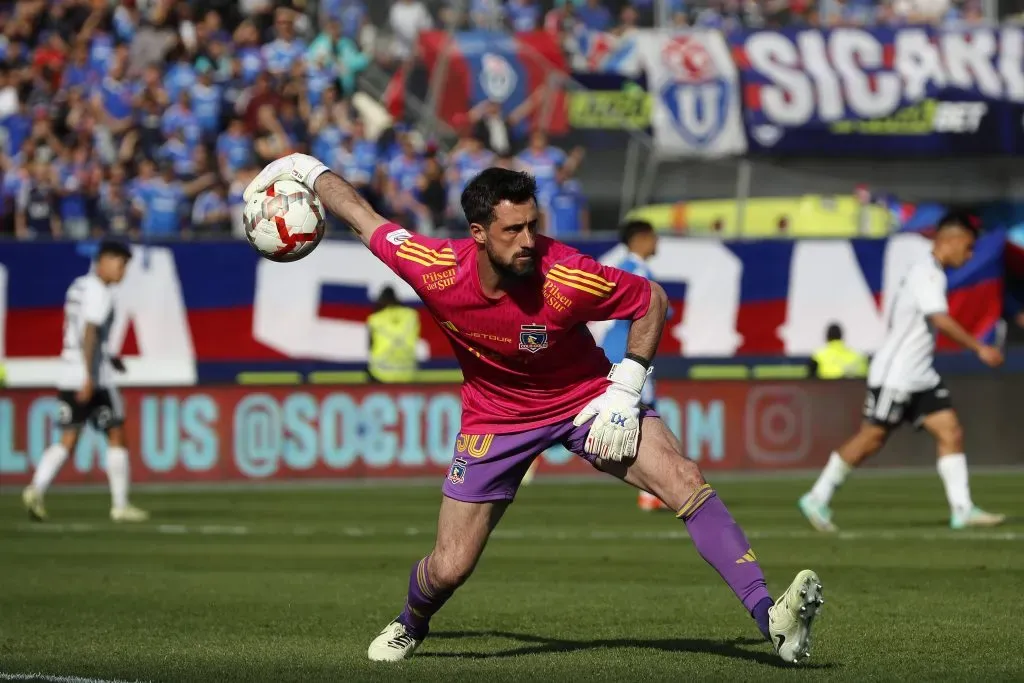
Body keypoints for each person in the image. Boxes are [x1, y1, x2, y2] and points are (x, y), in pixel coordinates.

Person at [243, 154, 826, 666]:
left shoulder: (564, 274)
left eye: (532, 225)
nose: (527, 240)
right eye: (512, 229)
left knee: (683, 479)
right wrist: (304, 166)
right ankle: (410, 624)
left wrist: (625, 389)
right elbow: (362, 216)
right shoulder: (433, 268)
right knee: (449, 568)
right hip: (493, 421)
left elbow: (651, 300)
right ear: (478, 232)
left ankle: (770, 620)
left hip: (586, 400)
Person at [799, 212, 1005, 533]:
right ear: (949, 240)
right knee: (872, 437)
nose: (971, 253)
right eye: (968, 245)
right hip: (897, 375)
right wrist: (979, 348)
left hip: (920, 375)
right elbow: (939, 319)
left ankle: (962, 509)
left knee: (950, 431)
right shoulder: (927, 273)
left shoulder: (932, 273)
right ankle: (817, 496)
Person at [22, 240, 149, 524]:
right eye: (120, 262)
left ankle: (36, 488)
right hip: (93, 376)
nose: (123, 270)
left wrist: (108, 354)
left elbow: (81, 330)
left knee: (68, 438)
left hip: (67, 371)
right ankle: (120, 505)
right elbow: (89, 331)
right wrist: (90, 376)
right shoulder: (100, 291)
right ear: (103, 260)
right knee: (116, 434)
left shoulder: (77, 286)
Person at [600, 220, 665, 511]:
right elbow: (656, 311)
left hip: (614, 349)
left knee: (625, 418)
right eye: (653, 237)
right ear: (640, 239)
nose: (657, 242)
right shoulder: (638, 271)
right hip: (631, 355)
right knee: (647, 420)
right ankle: (652, 490)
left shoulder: (619, 267)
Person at [367, 285, 421, 383]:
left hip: (381, 374)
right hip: (408, 373)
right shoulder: (412, 315)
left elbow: (369, 346)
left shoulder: (375, 318)